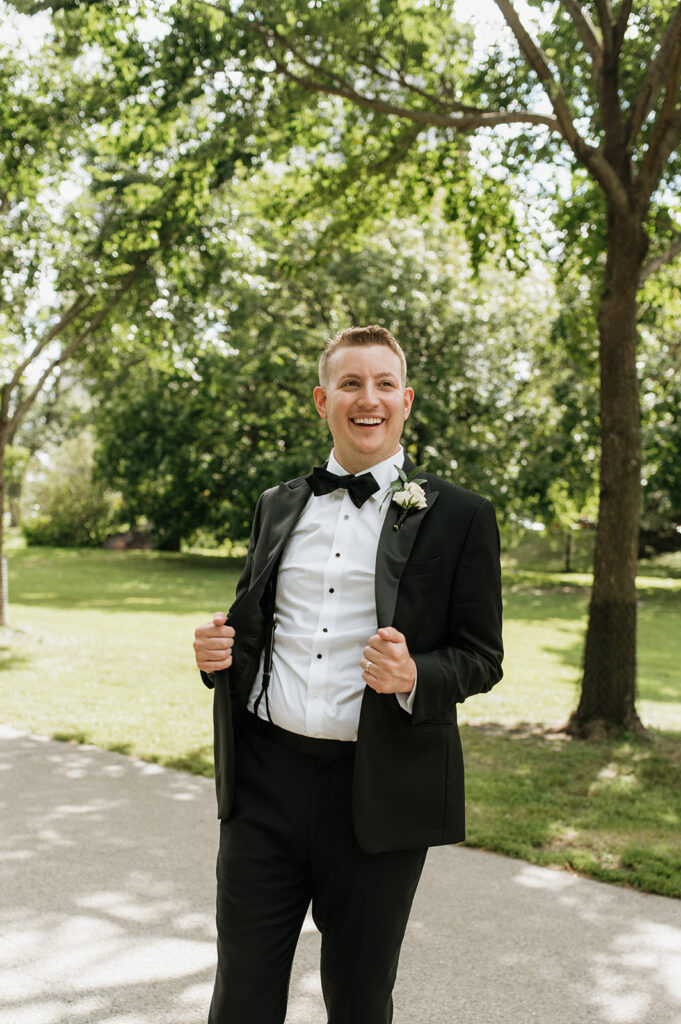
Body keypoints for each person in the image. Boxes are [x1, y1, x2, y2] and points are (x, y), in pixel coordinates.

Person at [193, 324, 503, 1024]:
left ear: (406, 399)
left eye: (384, 384)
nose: (369, 399)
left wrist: (412, 672)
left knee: (359, 999)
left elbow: (482, 656)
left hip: (379, 791)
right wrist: (218, 654)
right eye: (351, 383)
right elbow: (256, 632)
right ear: (322, 399)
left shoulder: (460, 516)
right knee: (240, 993)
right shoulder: (277, 505)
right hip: (264, 786)